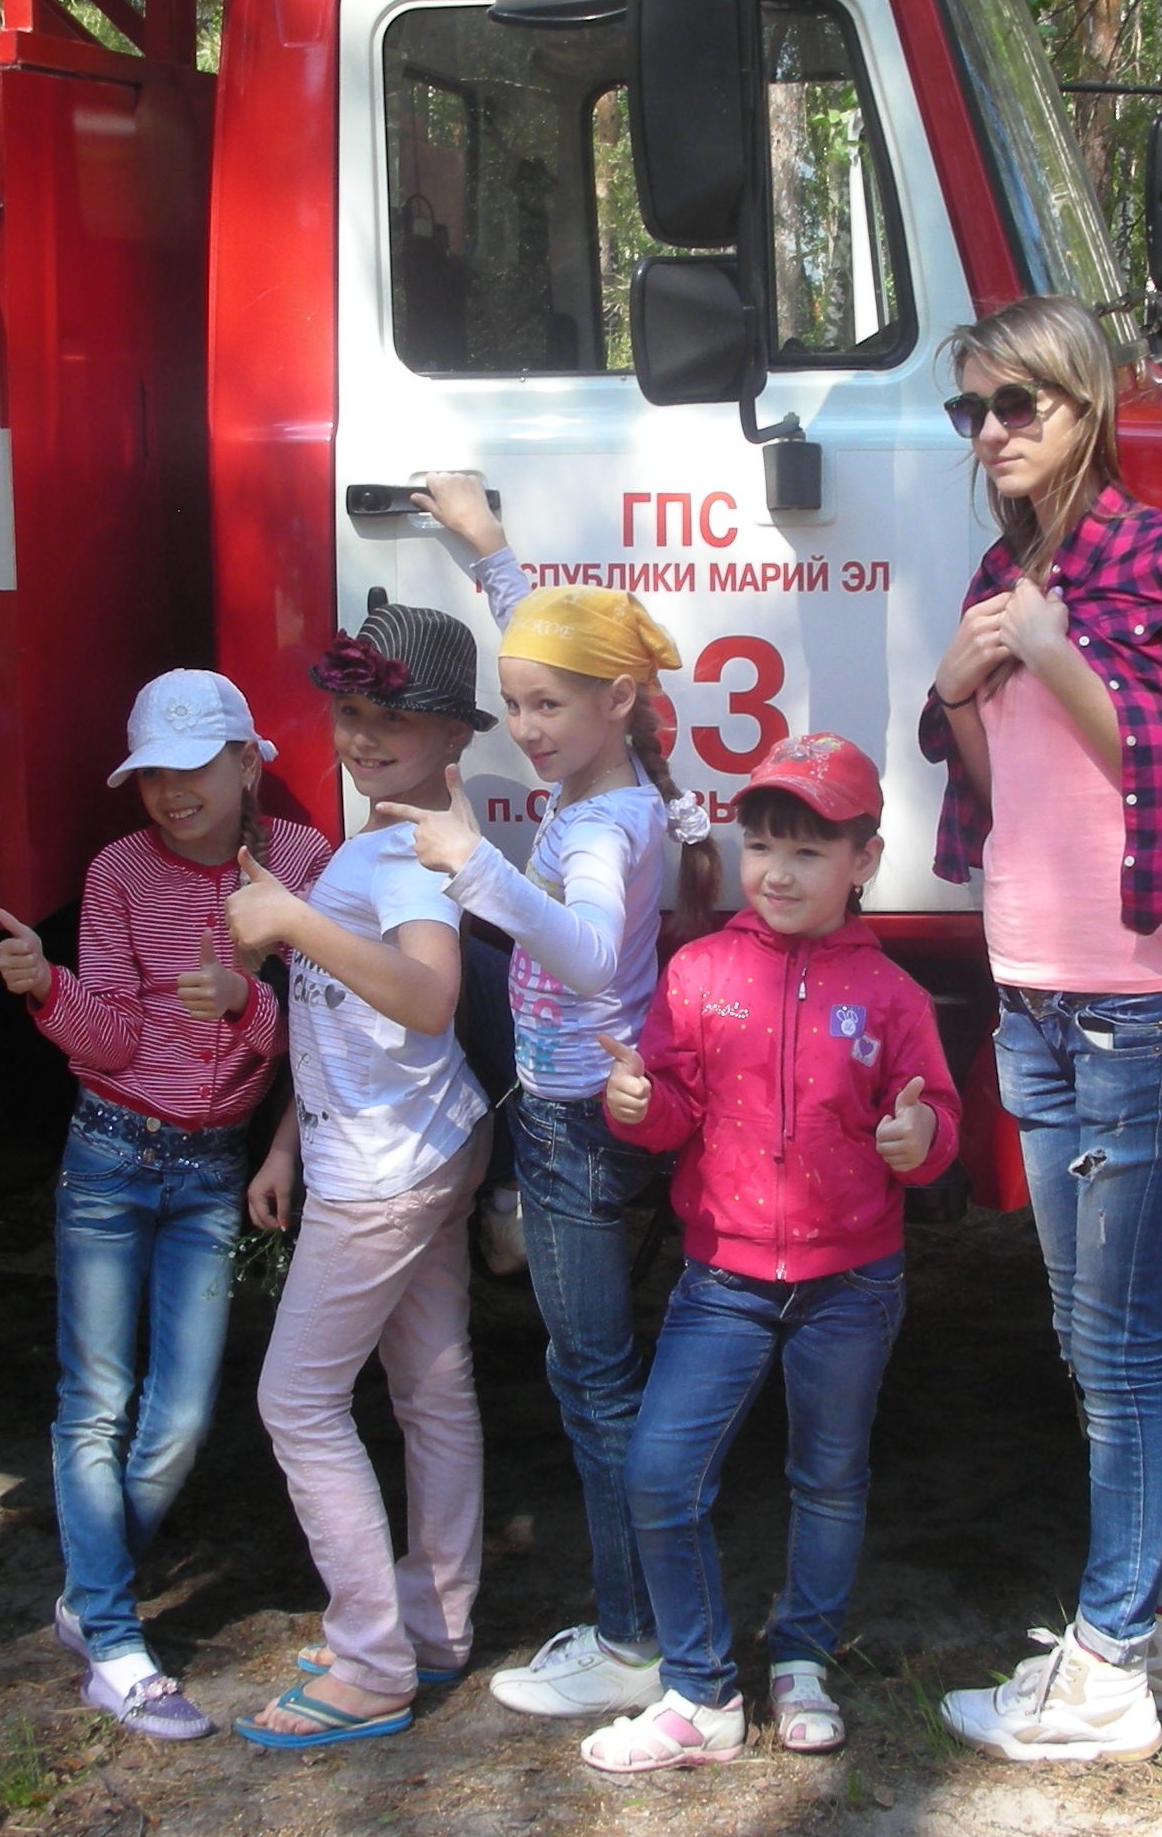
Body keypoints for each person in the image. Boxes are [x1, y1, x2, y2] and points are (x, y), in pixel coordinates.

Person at [918, 294, 1162, 1762]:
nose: (992, 433)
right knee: (1092, 1340)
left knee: (1116, 1352)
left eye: (1017, 406)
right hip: (1040, 999)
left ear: (1084, 407)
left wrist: (1047, 653)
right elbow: (1007, 792)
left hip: (1142, 1008)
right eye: (972, 412)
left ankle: (1111, 1666)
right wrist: (956, 692)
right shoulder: (1007, 569)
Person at [396, 470, 722, 1724]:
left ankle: (635, 1637)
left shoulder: (601, 830)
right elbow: (552, 645)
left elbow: (584, 953)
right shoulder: (615, 769)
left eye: (543, 708)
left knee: (592, 1383)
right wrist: (489, 551)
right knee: (597, 1372)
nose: (523, 727)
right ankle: (642, 1617)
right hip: (574, 1107)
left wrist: (473, 861)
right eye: (514, 705)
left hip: (579, 1127)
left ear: (615, 705)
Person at [578, 733, 960, 1773]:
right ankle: (698, 1692)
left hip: (851, 1284)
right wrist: (635, 1104)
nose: (777, 873)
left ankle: (800, 1662)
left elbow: (935, 1126)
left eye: (806, 851)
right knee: (659, 1473)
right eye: (760, 848)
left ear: (863, 859)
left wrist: (918, 1140)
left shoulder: (892, 999)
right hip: (721, 1280)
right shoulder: (698, 972)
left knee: (828, 1477)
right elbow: (667, 1110)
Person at [0, 670, 332, 1741]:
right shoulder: (116, 872)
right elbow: (118, 1041)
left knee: (178, 1419)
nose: (171, 795)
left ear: (246, 764)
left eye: (192, 770)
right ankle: (111, 1633)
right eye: (151, 776)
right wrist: (45, 991)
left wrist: (247, 1006)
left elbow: (324, 1024)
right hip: (106, 1152)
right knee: (95, 1400)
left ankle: (89, 1597)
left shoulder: (299, 862)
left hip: (208, 1171)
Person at [222, 603, 496, 1747]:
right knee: (430, 1389)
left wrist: (287, 916)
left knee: (294, 1398)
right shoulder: (393, 837)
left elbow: (426, 997)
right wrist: (288, 1138)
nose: (367, 735)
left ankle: (373, 1660)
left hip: (386, 1168)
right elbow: (348, 1020)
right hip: (421, 1141)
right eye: (350, 713)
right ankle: (432, 1626)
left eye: (398, 717)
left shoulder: (409, 855)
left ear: (451, 739)